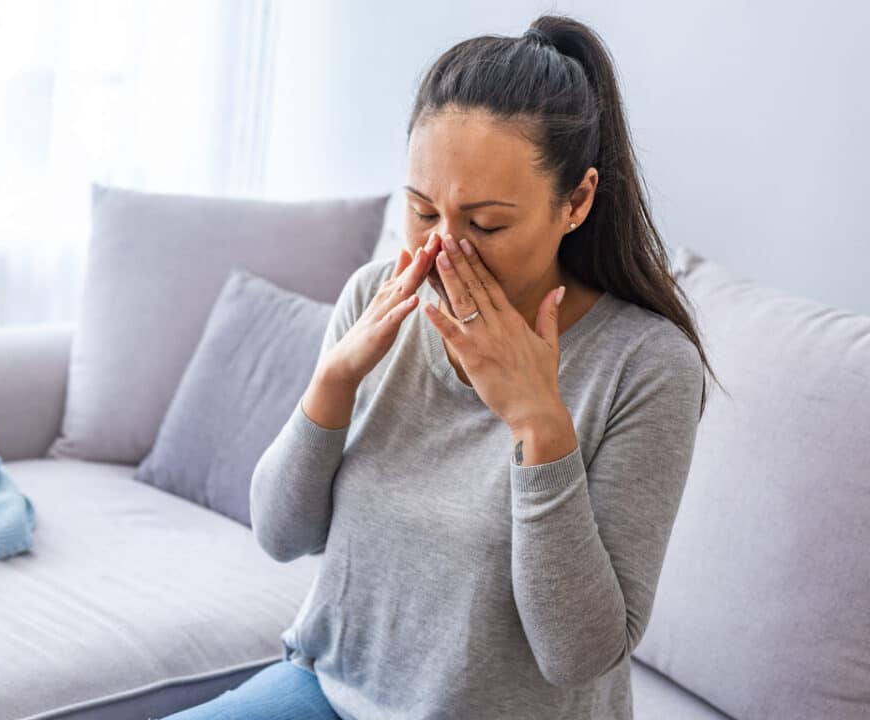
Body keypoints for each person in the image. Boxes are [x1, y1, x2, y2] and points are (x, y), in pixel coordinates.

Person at [160, 12, 723, 720]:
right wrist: (333, 383)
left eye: (486, 224)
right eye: (423, 212)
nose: (443, 250)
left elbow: (578, 654)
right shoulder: (375, 295)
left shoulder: (646, 366)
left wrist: (537, 420)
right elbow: (280, 534)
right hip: (330, 691)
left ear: (576, 201)